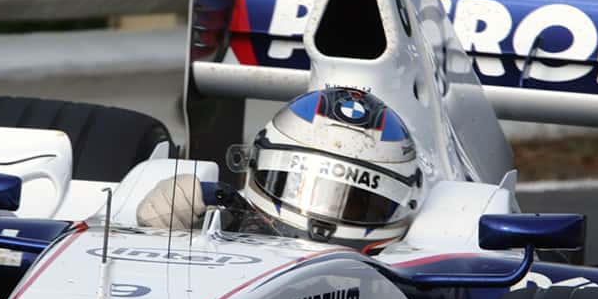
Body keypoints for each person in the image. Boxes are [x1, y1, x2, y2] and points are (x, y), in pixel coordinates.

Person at [135, 87, 423, 248]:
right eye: (297, 183)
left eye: (358, 204)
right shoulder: (236, 227)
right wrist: (178, 213)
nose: (321, 217)